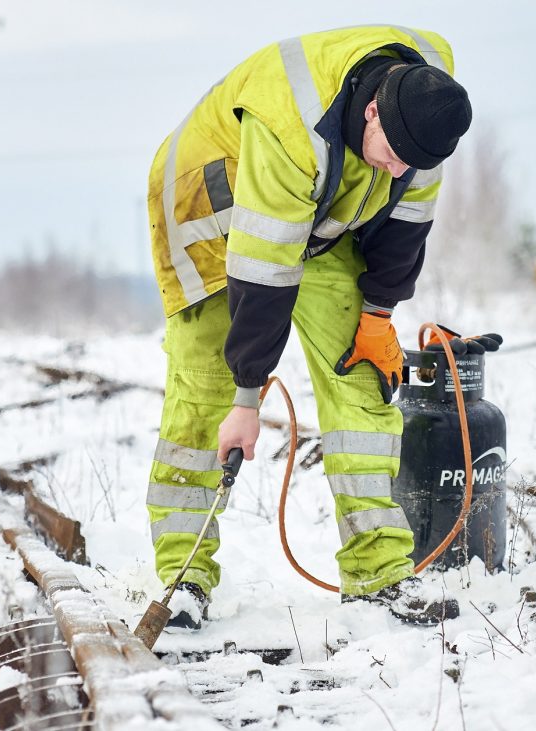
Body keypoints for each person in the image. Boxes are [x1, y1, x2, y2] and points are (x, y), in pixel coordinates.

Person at [145, 25, 472, 628]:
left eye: (413, 162)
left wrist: (377, 313)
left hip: (323, 210)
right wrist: (248, 397)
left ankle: (378, 573)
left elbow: (409, 220)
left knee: (361, 377)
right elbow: (265, 274)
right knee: (203, 398)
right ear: (371, 110)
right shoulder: (289, 127)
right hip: (212, 212)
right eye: (395, 154)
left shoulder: (427, 108)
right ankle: (184, 577)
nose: (402, 169)